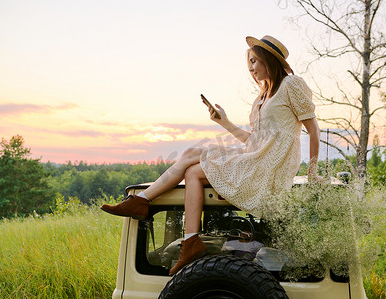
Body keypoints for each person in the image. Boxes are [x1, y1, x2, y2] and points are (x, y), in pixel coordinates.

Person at [101, 35, 320, 275]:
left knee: (192, 154)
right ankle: (191, 241)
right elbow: (254, 141)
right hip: (257, 157)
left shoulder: (292, 85)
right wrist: (224, 122)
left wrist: (312, 171)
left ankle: (141, 201)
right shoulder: (262, 97)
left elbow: (313, 129)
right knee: (193, 170)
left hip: (272, 166)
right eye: (249, 62)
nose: (251, 68)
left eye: (255, 61)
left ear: (270, 60)